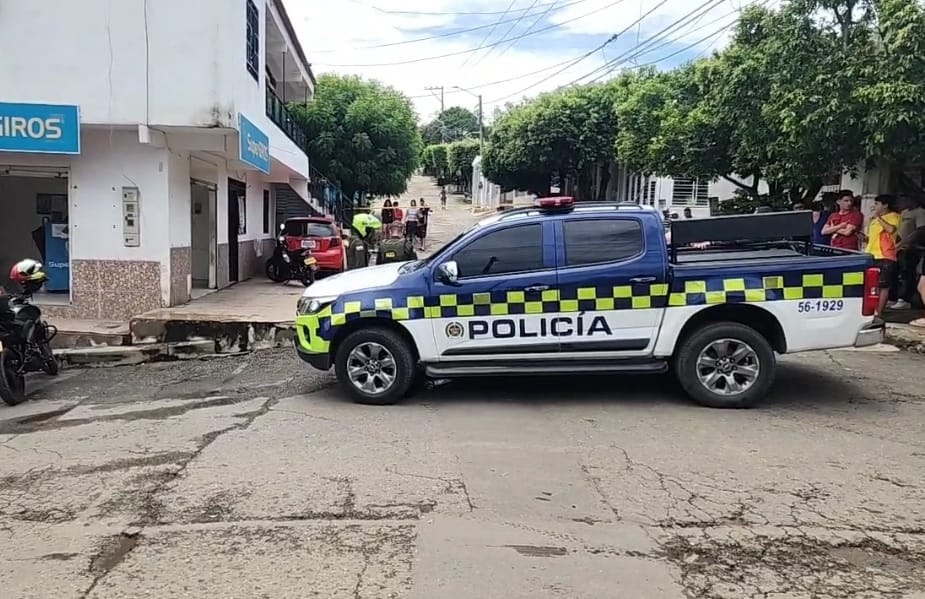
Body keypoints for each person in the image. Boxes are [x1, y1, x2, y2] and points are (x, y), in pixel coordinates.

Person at [865, 194, 901, 316]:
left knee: (883, 285)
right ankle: (870, 308)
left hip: (885, 255)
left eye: (877, 204)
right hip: (871, 254)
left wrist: (878, 218)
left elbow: (891, 229)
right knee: (871, 284)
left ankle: (879, 312)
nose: (874, 206)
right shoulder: (875, 219)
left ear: (885, 205)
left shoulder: (893, 216)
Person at [891, 195, 925, 309]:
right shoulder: (904, 212)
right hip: (899, 246)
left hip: (911, 248)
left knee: (907, 273)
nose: (902, 202)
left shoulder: (920, 212)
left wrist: (906, 243)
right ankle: (895, 297)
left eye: (905, 200)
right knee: (897, 272)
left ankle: (905, 299)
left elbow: (919, 231)